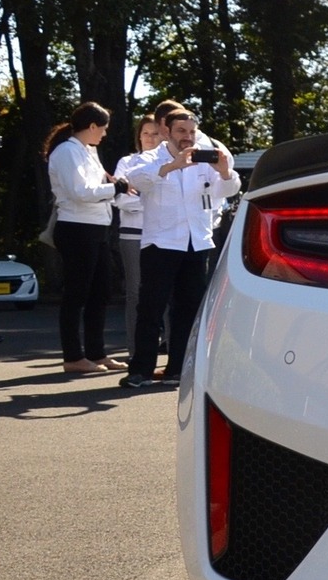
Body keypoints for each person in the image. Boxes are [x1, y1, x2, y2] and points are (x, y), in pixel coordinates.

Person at [116, 109, 237, 388]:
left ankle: (178, 368)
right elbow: (137, 180)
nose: (188, 137)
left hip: (197, 241)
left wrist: (224, 171)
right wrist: (172, 166)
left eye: (192, 131)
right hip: (162, 241)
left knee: (188, 308)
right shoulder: (151, 157)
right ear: (166, 131)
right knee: (151, 307)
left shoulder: (206, 156)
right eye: (181, 131)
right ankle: (141, 370)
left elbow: (227, 190)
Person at [46, 102, 129, 374]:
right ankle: (73, 356)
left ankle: (97, 352)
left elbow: (99, 186)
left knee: (100, 291)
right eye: (103, 129)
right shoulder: (67, 151)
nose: (104, 135)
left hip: (96, 227)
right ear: (92, 126)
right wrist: (115, 188)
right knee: (76, 294)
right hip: (76, 228)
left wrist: (115, 187)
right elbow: (81, 191)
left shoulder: (88, 150)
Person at [116, 113, 161, 355]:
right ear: (138, 137)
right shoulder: (127, 163)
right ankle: (136, 351)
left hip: (162, 236)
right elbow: (121, 200)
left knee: (165, 294)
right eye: (146, 133)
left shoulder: (169, 163)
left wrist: (141, 197)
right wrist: (154, 201)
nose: (150, 138)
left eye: (155, 133)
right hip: (132, 235)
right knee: (136, 293)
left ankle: (169, 351)